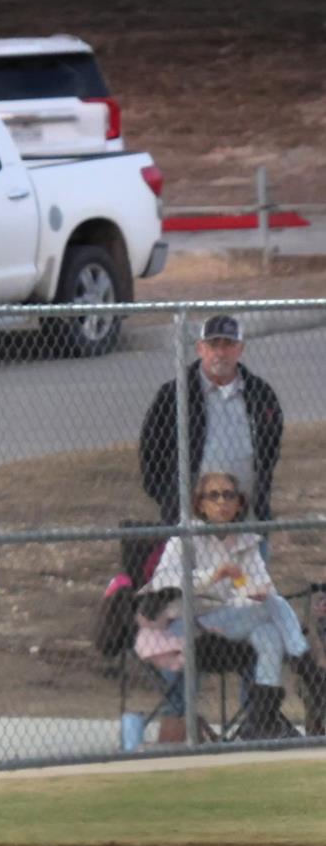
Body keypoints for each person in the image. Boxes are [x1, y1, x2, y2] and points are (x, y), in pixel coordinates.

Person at [138, 471, 314, 740]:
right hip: (192, 625)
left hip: (234, 622)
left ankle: (261, 721)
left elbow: (260, 586)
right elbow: (162, 581)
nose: (222, 502)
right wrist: (212, 576)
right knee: (271, 612)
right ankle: (304, 660)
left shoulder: (247, 540)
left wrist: (257, 593)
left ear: (239, 503)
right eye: (214, 495)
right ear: (201, 504)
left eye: (229, 495)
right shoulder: (184, 538)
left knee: (267, 628)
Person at [140, 314, 283, 528]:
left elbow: (270, 448)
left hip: (247, 515)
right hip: (191, 519)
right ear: (200, 348)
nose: (220, 352)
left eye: (228, 344)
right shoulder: (174, 394)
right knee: (194, 563)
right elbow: (151, 452)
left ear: (240, 349)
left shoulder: (260, 393)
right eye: (213, 344)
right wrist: (171, 499)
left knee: (248, 561)